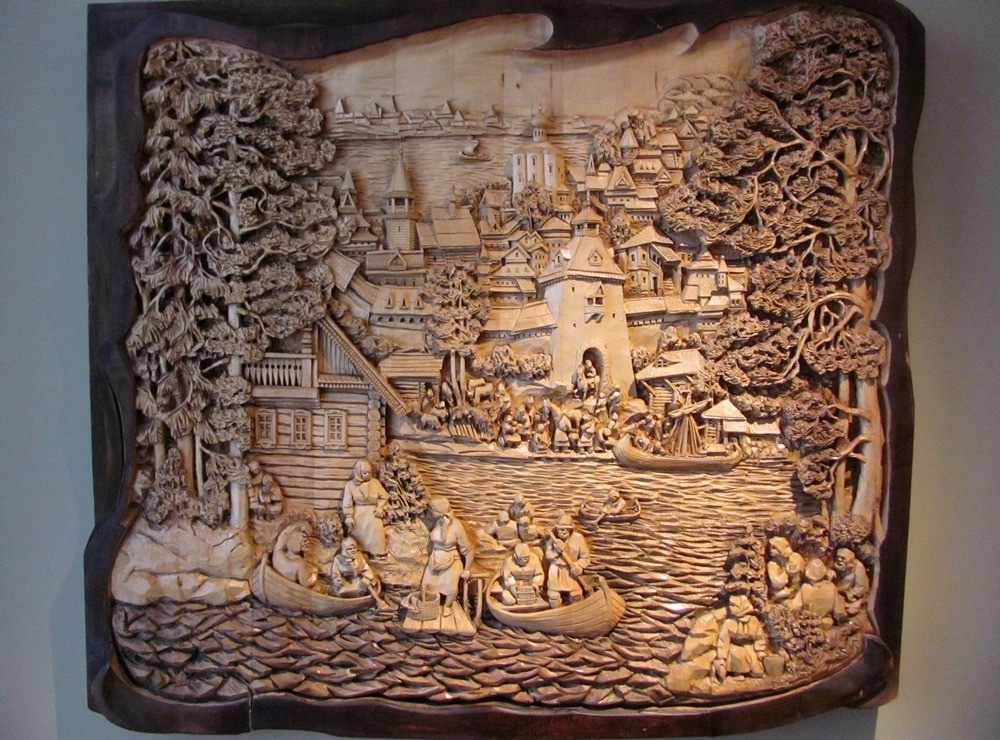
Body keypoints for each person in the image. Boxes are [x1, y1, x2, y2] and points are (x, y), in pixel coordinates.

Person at [420, 497, 475, 615]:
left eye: (433, 509)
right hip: (435, 558)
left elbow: (468, 549)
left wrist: (467, 569)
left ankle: (447, 606)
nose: (430, 511)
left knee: (450, 587)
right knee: (427, 585)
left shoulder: (456, 525)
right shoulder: (435, 522)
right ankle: (430, 606)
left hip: (451, 559)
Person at [341, 459, 389, 558]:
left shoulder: (375, 483)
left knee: (377, 531)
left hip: (373, 513)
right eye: (364, 473)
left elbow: (384, 497)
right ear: (358, 472)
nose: (367, 475)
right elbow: (347, 502)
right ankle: (361, 554)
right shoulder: (350, 485)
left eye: (369, 473)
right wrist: (348, 516)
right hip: (358, 513)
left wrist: (380, 507)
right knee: (358, 533)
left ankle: (378, 554)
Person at [713, 595, 767, 681]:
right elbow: (723, 641)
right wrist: (721, 657)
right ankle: (736, 675)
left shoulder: (753, 621)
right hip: (734, 648)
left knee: (758, 673)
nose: (730, 607)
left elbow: (759, 637)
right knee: (736, 655)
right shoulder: (728, 622)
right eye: (729, 605)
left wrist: (760, 651)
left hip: (749, 648)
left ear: (742, 606)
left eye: (733, 605)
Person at [543, 513, 591, 608]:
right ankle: (556, 614)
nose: (562, 532)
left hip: (571, 570)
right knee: (553, 596)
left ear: (570, 529)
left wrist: (579, 567)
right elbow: (548, 555)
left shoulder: (578, 538)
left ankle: (577, 613)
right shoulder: (553, 540)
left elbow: (585, 558)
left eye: (565, 529)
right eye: (559, 529)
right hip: (555, 570)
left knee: (576, 596)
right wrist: (556, 551)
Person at [272, 522, 317, 588]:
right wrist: (314, 577)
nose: (307, 542)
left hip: (277, 582)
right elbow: (306, 583)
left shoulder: (279, 553)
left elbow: (284, 534)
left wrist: (299, 525)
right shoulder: (299, 563)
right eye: (304, 541)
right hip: (288, 588)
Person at [833, 548, 870, 619]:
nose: (839, 559)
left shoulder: (858, 568)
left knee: (851, 610)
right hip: (837, 590)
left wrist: (849, 594)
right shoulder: (836, 564)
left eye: (842, 558)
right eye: (838, 557)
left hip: (851, 595)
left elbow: (861, 586)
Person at [767, 536, 804, 604]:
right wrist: (786, 571)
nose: (771, 550)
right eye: (771, 547)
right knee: (783, 593)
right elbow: (777, 584)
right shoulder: (772, 564)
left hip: (796, 589)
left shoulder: (796, 557)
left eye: (774, 547)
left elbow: (801, 570)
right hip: (780, 592)